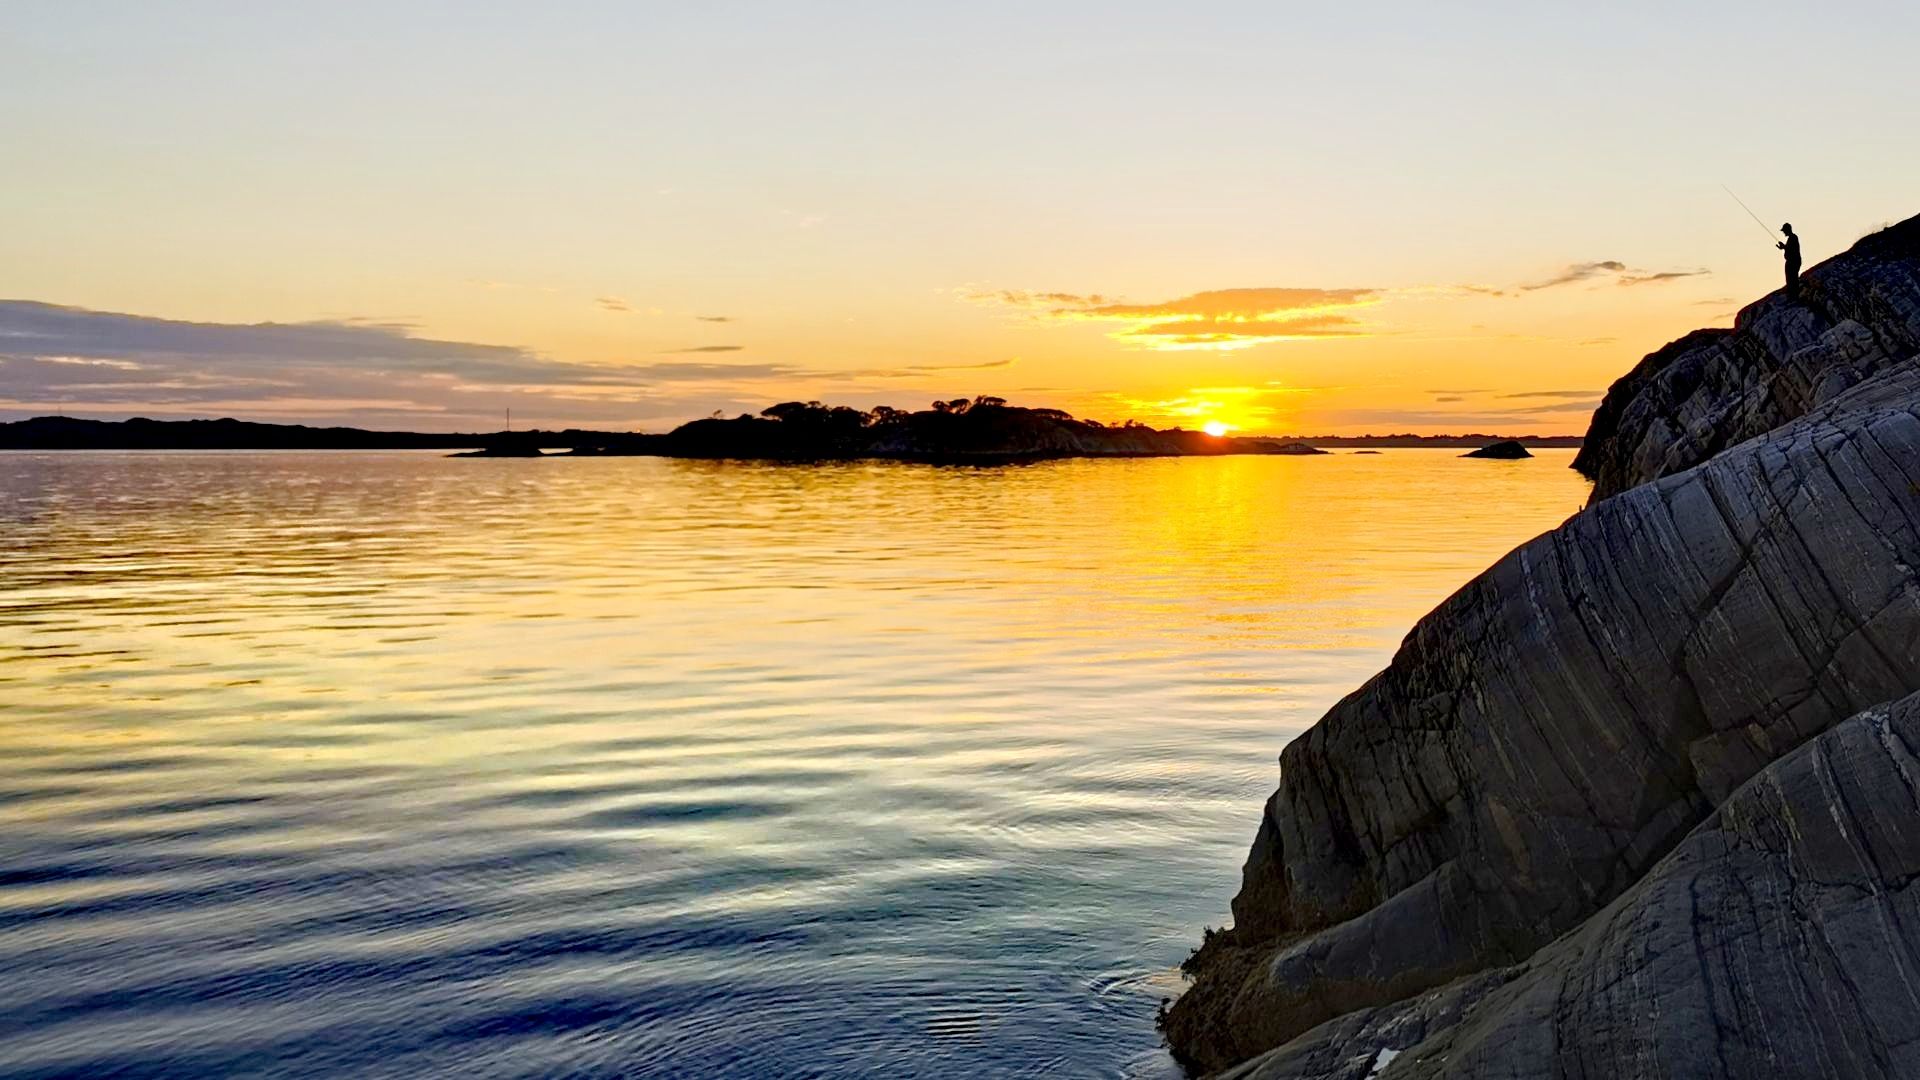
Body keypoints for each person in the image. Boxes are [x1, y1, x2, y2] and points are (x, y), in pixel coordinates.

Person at [1777, 223, 1802, 299]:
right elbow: (1789, 248)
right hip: (1792, 261)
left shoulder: (1793, 237)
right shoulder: (1791, 238)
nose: (1783, 232)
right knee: (1791, 278)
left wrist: (1784, 247)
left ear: (1787, 230)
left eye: (1784, 230)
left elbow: (1792, 249)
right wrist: (1783, 247)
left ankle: (1794, 295)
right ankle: (1793, 294)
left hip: (1793, 261)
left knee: (1792, 278)